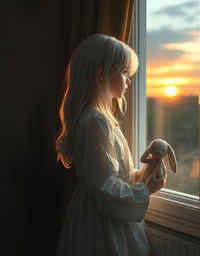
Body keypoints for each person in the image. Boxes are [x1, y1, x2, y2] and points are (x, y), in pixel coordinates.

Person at [55, 34, 167, 256]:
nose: (129, 81)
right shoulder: (94, 121)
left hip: (101, 211)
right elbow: (105, 186)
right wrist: (145, 190)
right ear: (102, 73)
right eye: (125, 73)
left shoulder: (100, 119)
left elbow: (109, 174)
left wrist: (141, 174)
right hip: (101, 221)